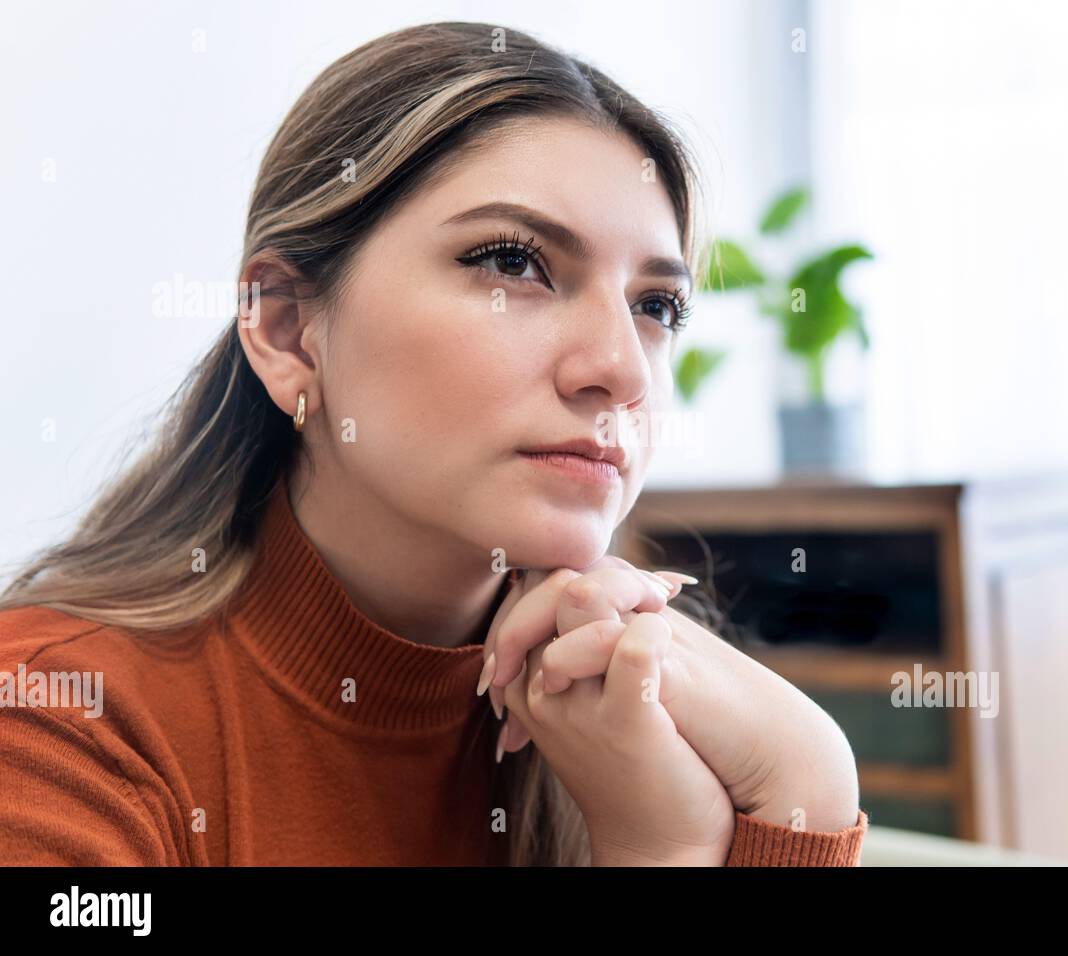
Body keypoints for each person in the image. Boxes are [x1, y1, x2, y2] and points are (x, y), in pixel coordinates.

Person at [0, 21, 867, 866]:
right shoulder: (51, 728)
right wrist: (662, 850)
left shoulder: (674, 727)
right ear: (289, 329)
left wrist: (807, 778)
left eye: (657, 307)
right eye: (512, 263)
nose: (620, 369)